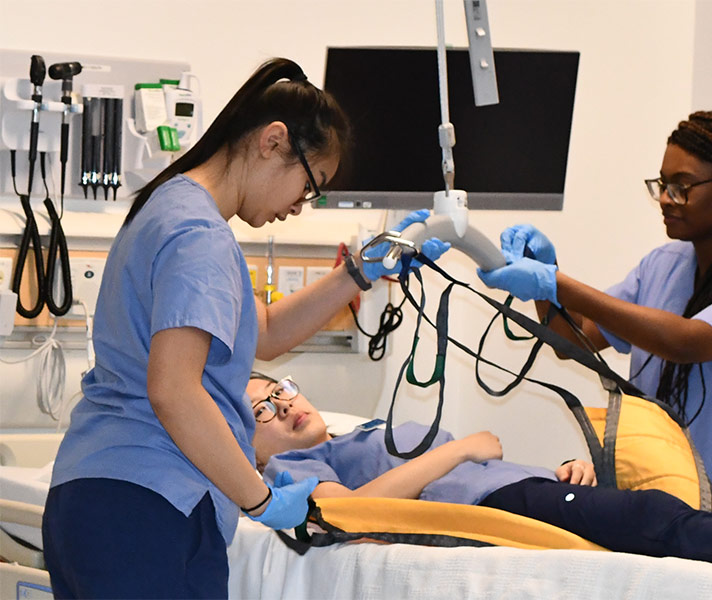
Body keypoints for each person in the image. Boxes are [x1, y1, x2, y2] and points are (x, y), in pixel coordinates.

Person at [41, 58, 448, 599]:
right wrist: (260, 499)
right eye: (309, 185)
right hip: (150, 505)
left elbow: (267, 330)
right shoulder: (199, 234)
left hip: (94, 499)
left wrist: (359, 271)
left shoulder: (173, 210)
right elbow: (174, 391)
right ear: (272, 142)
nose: (299, 208)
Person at [246, 373, 712, 574]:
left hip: (535, 487)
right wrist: (460, 450)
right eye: (261, 411)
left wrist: (561, 470)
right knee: (657, 520)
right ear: (248, 450)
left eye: (281, 389)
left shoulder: (364, 432)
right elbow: (353, 511)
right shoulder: (297, 467)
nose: (284, 405)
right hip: (500, 509)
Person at [477, 111, 712, 499]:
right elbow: (571, 338)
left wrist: (556, 283)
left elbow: (686, 342)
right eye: (663, 185)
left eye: (682, 187)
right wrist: (545, 282)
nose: (667, 199)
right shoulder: (663, 266)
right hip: (665, 504)